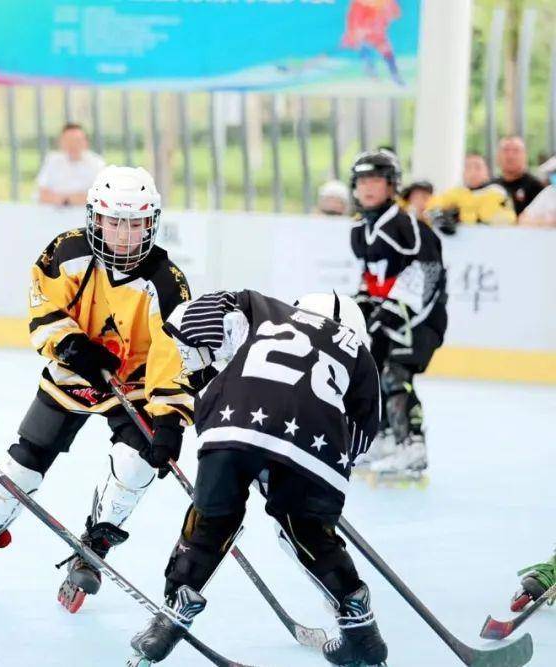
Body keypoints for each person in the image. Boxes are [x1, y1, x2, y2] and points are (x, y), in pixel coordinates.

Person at [0, 166, 194, 614]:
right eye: (115, 221)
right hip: (74, 377)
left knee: (134, 465)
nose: (124, 234)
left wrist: (170, 417)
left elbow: (174, 357)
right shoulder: (67, 251)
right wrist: (73, 345)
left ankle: (95, 544)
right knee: (19, 468)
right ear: (97, 218)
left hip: (134, 386)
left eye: (135, 223)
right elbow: (44, 308)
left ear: (151, 223)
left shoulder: (168, 283)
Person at [128, 290, 386, 666]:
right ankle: (360, 626)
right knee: (308, 530)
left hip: (235, 421)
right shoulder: (360, 355)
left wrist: (202, 372)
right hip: (316, 443)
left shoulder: (264, 309)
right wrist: (294, 466)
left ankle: (169, 620)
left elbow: (187, 318)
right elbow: (361, 436)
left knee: (212, 521)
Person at [348, 150, 447, 476]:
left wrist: (395, 309)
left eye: (376, 179)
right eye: (362, 180)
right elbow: (370, 278)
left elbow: (428, 271)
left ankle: (413, 446)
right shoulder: (360, 231)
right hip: (391, 319)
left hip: (422, 318)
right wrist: (361, 305)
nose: (368, 187)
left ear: (392, 186)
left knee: (396, 373)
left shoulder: (409, 227)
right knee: (372, 373)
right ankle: (385, 437)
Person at [425, 154, 516, 233]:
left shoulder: (497, 191)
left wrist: (463, 215)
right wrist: (439, 216)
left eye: (478, 167)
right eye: (468, 167)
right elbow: (433, 205)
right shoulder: (456, 192)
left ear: (487, 172)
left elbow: (509, 218)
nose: (473, 172)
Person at [36, 123, 105, 207]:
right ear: (60, 142)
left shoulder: (97, 163)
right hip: (53, 214)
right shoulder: (52, 160)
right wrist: (73, 199)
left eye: (77, 140)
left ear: (86, 142)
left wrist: (64, 199)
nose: (73, 145)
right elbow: (43, 195)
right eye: (68, 141)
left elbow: (100, 197)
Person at [495, 136, 545, 217]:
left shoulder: (537, 188)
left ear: (525, 156)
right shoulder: (490, 187)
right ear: (497, 156)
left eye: (516, 151)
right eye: (506, 150)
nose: (510, 156)